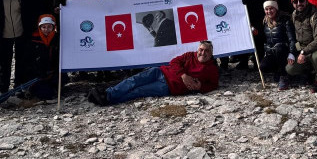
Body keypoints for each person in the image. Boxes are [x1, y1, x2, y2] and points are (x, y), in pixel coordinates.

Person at [87, 41, 219, 105]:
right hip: (160, 72)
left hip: (169, 87)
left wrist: (201, 87)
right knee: (133, 81)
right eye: (201, 49)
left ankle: (108, 100)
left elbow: (213, 85)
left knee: (139, 91)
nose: (203, 53)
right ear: (197, 49)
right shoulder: (190, 55)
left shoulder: (211, 68)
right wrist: (184, 75)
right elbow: (174, 62)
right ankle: (107, 94)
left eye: (207, 51)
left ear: (211, 53)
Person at [0, 0, 30, 94]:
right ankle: (3, 89)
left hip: (20, 33)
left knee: (21, 61)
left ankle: (18, 86)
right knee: (4, 63)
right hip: (4, 34)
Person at [259, 0, 297, 90]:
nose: (269, 11)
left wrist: (292, 53)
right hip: (271, 52)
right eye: (266, 9)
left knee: (279, 49)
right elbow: (264, 38)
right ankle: (278, 71)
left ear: (276, 9)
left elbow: (292, 39)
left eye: (271, 8)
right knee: (263, 67)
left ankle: (284, 76)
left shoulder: (285, 21)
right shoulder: (265, 22)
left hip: (284, 51)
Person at [27, 15, 59, 99]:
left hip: (51, 72)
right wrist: (38, 72)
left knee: (62, 79)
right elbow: (29, 60)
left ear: (53, 27)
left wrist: (53, 70)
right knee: (45, 94)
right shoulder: (34, 40)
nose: (46, 29)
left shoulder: (57, 39)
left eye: (49, 27)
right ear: (39, 27)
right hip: (38, 74)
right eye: (43, 27)